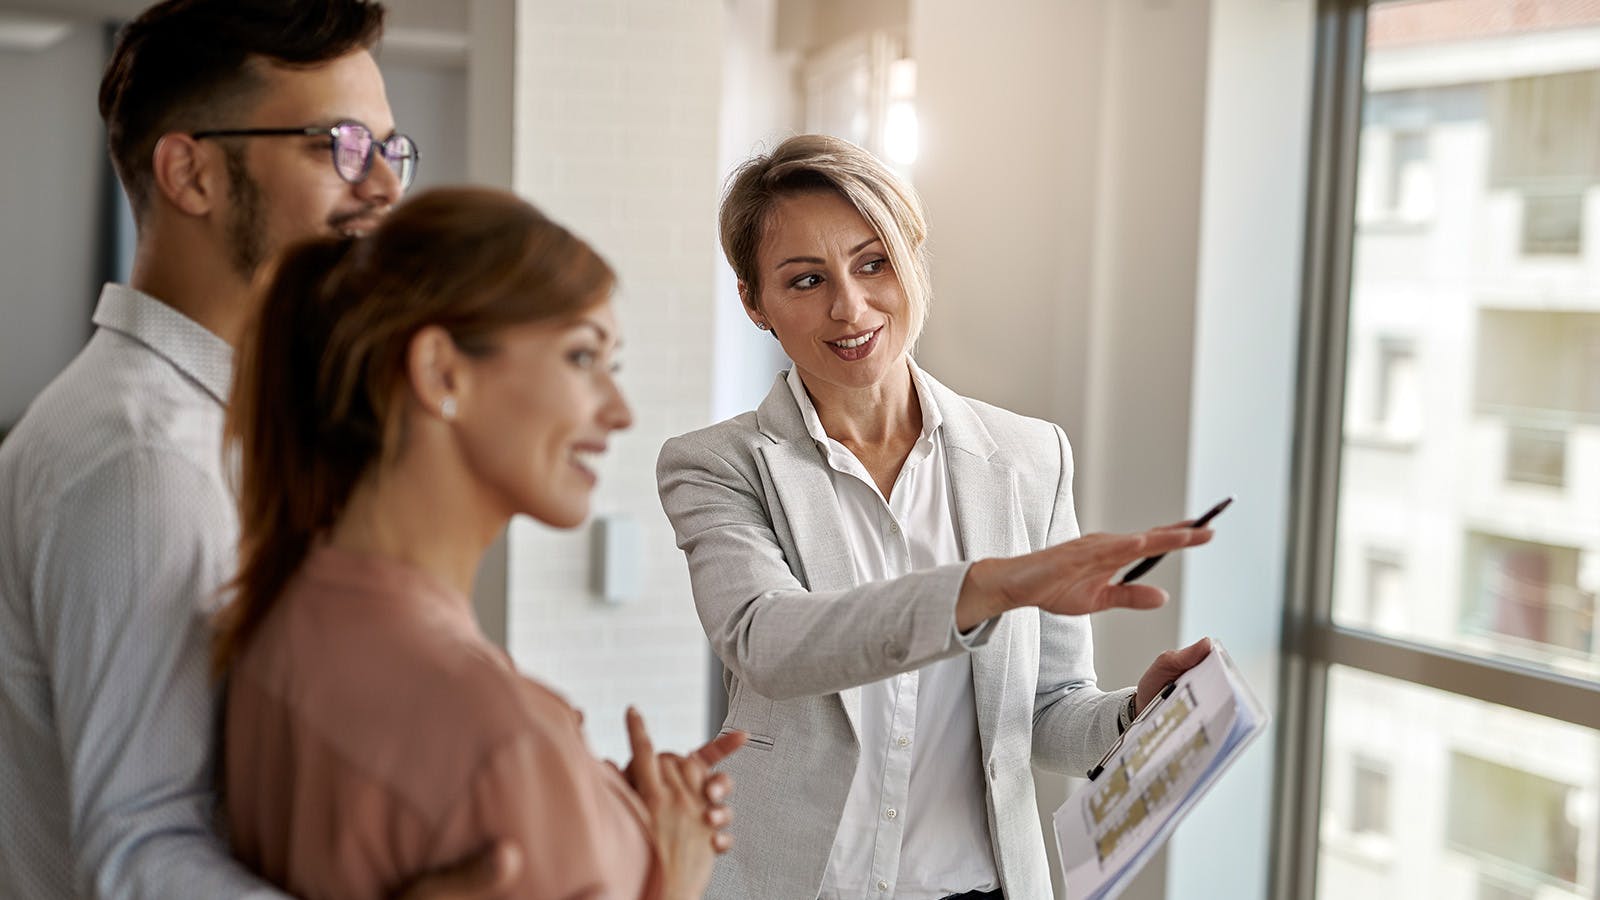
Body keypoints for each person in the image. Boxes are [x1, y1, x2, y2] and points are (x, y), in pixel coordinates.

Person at [0, 2, 511, 897]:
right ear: (191, 172)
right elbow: (139, 853)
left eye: (389, 149)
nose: (386, 189)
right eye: (338, 145)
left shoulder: (235, 430)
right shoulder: (144, 461)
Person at [656, 133, 1216, 899]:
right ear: (756, 304)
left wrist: (1133, 714)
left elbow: (1045, 712)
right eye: (806, 279)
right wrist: (988, 588)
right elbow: (769, 643)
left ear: (913, 257)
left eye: (873, 262)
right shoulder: (719, 466)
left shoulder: (1029, 457)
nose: (849, 307)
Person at [213, 186, 743, 900]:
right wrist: (669, 877)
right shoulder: (503, 745)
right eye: (583, 358)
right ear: (442, 373)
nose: (619, 412)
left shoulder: (279, 624)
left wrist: (598, 805)